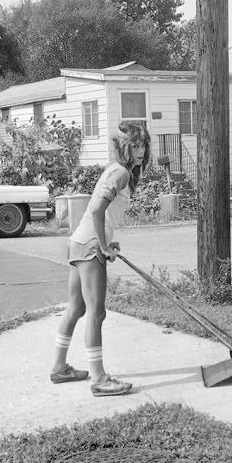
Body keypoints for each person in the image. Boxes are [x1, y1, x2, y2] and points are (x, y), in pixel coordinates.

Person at [50, 121, 151, 397]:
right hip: (91, 246)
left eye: (143, 145)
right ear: (123, 146)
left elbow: (100, 215)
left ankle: (59, 368)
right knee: (97, 312)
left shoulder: (116, 171)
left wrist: (106, 239)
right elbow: (95, 210)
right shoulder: (120, 173)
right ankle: (99, 379)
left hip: (79, 242)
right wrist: (103, 245)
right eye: (134, 145)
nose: (140, 150)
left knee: (77, 309)